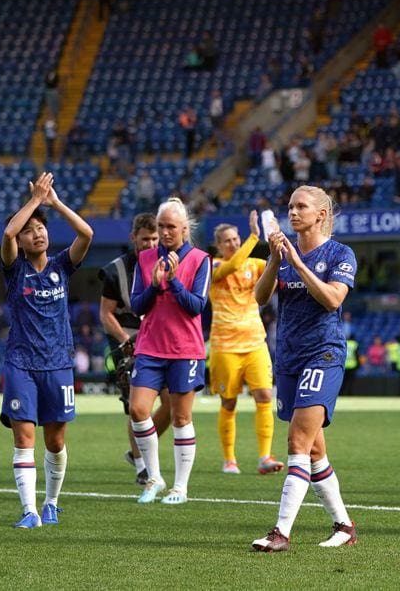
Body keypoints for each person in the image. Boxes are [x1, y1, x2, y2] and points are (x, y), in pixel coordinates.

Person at [251, 185, 358, 552]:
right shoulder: (285, 253)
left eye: (301, 207)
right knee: (313, 452)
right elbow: (260, 298)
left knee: (297, 442)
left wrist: (297, 264)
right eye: (290, 206)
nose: (293, 212)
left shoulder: (340, 254)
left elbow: (332, 299)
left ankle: (281, 532)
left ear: (322, 215)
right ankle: (344, 525)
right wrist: (276, 261)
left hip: (323, 354)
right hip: (289, 357)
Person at [0, 172, 93, 527]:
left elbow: (87, 234)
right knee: (24, 438)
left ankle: (51, 502)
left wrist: (54, 203)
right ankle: (29, 511)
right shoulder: (14, 269)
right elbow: (8, 233)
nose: (37, 232)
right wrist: (35, 201)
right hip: (21, 363)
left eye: (41, 228)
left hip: (58, 364)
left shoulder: (61, 267)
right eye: (30, 230)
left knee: (54, 442)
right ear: (22, 241)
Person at [128, 198, 210, 505]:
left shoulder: (201, 259)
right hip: (150, 346)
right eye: (161, 226)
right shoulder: (146, 258)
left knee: (180, 417)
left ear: (185, 229)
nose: (164, 232)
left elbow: (196, 307)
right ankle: (154, 476)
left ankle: (180, 487)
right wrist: (153, 286)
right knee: (138, 409)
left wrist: (173, 283)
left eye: (170, 227)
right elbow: (137, 305)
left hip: (185, 348)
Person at [98, 213, 171, 485]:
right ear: (133, 239)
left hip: (159, 338)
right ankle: (142, 465)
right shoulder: (115, 270)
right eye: (145, 239)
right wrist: (125, 341)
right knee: (135, 405)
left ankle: (137, 449)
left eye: (154, 239)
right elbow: (106, 314)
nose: (150, 244)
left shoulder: (168, 263)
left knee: (173, 405)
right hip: (127, 338)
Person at [208, 211, 283, 476]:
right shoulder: (213, 266)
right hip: (225, 346)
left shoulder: (254, 264)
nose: (233, 243)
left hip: (254, 343)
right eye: (227, 241)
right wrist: (254, 236)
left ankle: (265, 456)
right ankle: (229, 459)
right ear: (219, 246)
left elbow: (278, 269)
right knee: (229, 402)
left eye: (236, 238)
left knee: (264, 396)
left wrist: (277, 245)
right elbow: (232, 265)